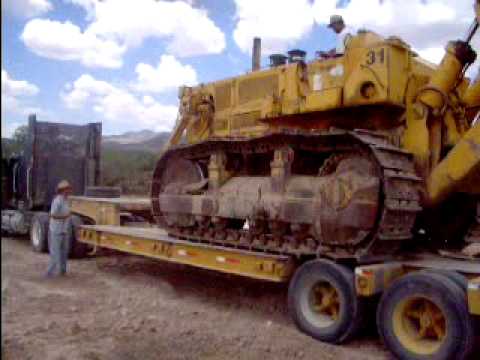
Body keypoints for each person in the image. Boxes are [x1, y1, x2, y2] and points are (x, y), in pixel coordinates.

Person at [46, 180, 73, 277]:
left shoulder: (67, 200)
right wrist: (64, 216)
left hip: (64, 230)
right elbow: (52, 215)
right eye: (68, 189)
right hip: (56, 230)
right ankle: (50, 272)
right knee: (55, 252)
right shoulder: (57, 200)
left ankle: (63, 271)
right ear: (63, 190)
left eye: (69, 189)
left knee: (64, 252)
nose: (69, 191)